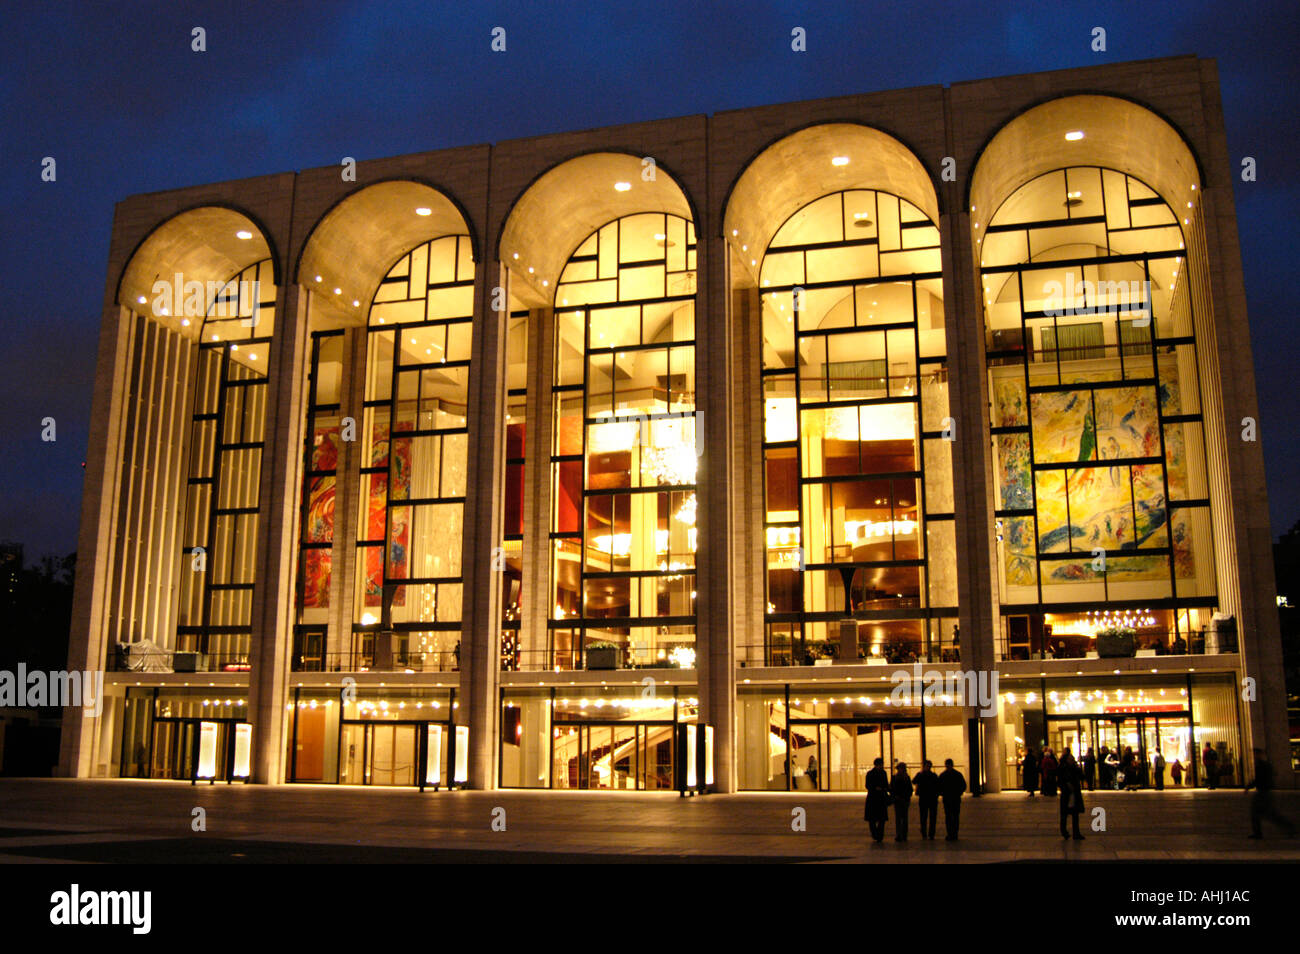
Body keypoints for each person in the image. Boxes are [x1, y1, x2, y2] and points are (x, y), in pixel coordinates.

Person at [1246, 748, 1296, 839]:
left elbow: (1260, 779)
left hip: (1263, 792)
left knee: (1267, 814)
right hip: (1264, 792)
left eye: (1255, 754)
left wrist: (1249, 786)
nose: (1254, 756)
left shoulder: (1262, 765)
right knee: (1266, 814)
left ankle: (1290, 827)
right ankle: (1289, 827)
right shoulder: (1263, 765)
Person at [1058, 748, 1086, 840]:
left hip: (1072, 793)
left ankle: (1075, 832)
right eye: (1071, 759)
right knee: (1066, 813)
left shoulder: (1072, 768)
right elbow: (1061, 780)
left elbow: (1082, 776)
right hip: (1068, 793)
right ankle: (1065, 831)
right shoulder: (1064, 768)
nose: (1072, 760)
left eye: (1073, 759)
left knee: (1074, 813)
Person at [863, 757, 891, 844]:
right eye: (880, 765)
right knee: (873, 819)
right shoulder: (871, 774)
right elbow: (867, 785)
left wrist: (884, 788)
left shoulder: (883, 773)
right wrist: (876, 788)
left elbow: (886, 784)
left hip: (879, 798)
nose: (881, 766)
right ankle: (875, 833)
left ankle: (879, 835)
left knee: (881, 819)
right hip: (873, 798)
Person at [939, 758, 966, 840]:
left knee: (949, 816)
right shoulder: (958, 774)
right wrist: (959, 793)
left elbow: (939, 787)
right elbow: (963, 786)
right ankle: (954, 833)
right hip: (955, 798)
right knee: (955, 816)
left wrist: (942, 793)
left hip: (947, 799)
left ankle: (950, 833)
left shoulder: (943, 775)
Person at [913, 760, 940, 840]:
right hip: (929, 799)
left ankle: (927, 833)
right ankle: (928, 833)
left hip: (926, 799)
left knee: (925, 817)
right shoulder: (933, 775)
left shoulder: (922, 775)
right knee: (929, 817)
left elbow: (914, 781)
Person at [891, 762, 914, 841]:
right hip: (901, 800)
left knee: (902, 818)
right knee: (901, 818)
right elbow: (892, 789)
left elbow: (909, 789)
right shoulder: (904, 778)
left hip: (902, 800)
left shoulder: (901, 778)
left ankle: (902, 834)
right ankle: (901, 834)